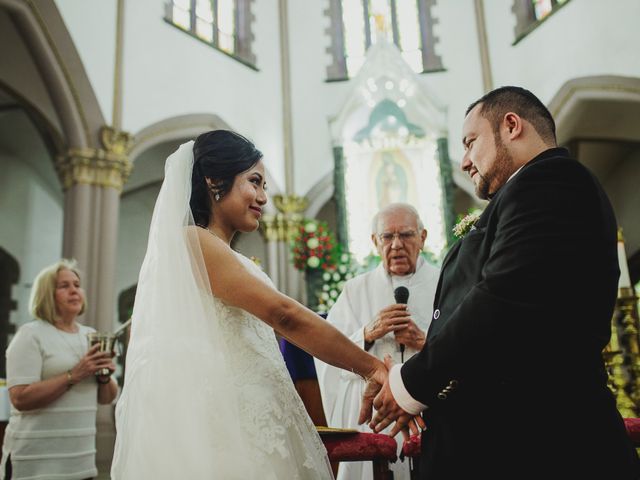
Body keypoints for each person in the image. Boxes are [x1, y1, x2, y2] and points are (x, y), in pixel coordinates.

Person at [364, 86, 640, 479]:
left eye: (470, 142)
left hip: (539, 447)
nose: (463, 162)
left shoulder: (553, 181)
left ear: (511, 126)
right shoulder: (524, 194)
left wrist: (408, 385)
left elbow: (501, 300)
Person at [111, 130, 393, 479]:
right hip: (232, 427)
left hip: (257, 418)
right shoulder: (194, 241)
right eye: (254, 182)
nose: (262, 197)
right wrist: (371, 367)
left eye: (264, 187)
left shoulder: (223, 252)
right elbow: (284, 315)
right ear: (215, 182)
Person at [315, 203, 438, 480]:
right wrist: (366, 334)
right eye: (387, 237)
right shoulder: (355, 290)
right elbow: (327, 352)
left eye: (406, 235)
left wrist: (424, 340)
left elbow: (466, 345)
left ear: (423, 237)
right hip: (376, 414)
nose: (396, 245)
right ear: (374, 241)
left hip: (429, 408)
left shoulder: (444, 281)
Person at [1, 259, 118, 480]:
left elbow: (106, 399)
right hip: (35, 464)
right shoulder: (30, 335)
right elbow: (20, 398)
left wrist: (105, 376)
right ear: (46, 294)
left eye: (76, 284)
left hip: (80, 462)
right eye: (64, 286)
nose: (74, 290)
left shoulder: (90, 335)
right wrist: (75, 374)